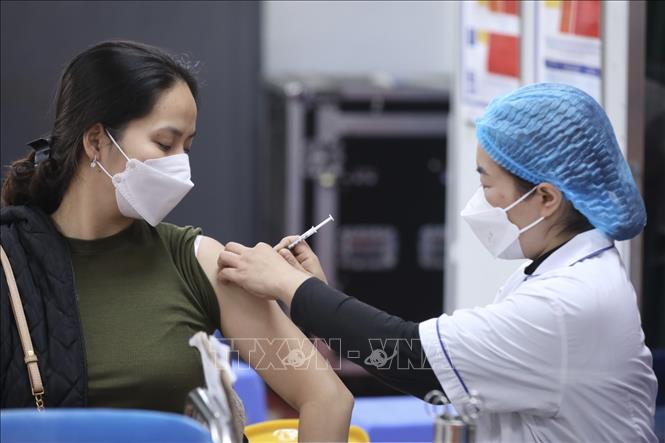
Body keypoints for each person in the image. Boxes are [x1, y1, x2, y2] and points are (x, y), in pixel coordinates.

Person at [217, 83, 658, 442]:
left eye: (488, 184)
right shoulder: (568, 271)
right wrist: (316, 294)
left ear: (545, 197)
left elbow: (410, 357)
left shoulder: (567, 304)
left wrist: (290, 286)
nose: (479, 200)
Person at [0, 40, 353, 441]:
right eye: (165, 144)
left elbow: (328, 398)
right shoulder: (11, 262)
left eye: (187, 147)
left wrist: (309, 299)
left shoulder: (198, 262)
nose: (180, 166)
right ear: (96, 140)